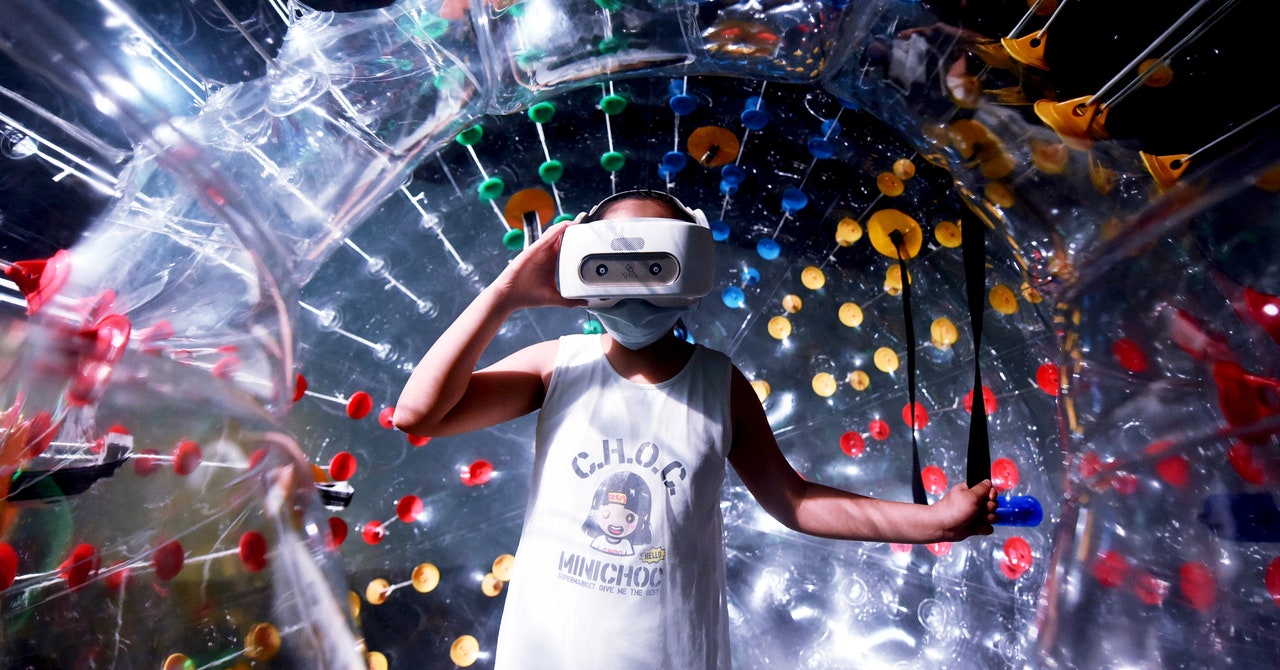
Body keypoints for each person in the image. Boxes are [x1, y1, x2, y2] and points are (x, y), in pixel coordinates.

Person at [393, 190, 998, 670]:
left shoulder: (718, 384)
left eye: (654, 261)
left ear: (693, 266)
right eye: (613, 262)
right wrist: (505, 294)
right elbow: (420, 414)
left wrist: (934, 522)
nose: (633, 284)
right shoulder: (557, 366)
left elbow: (793, 501)